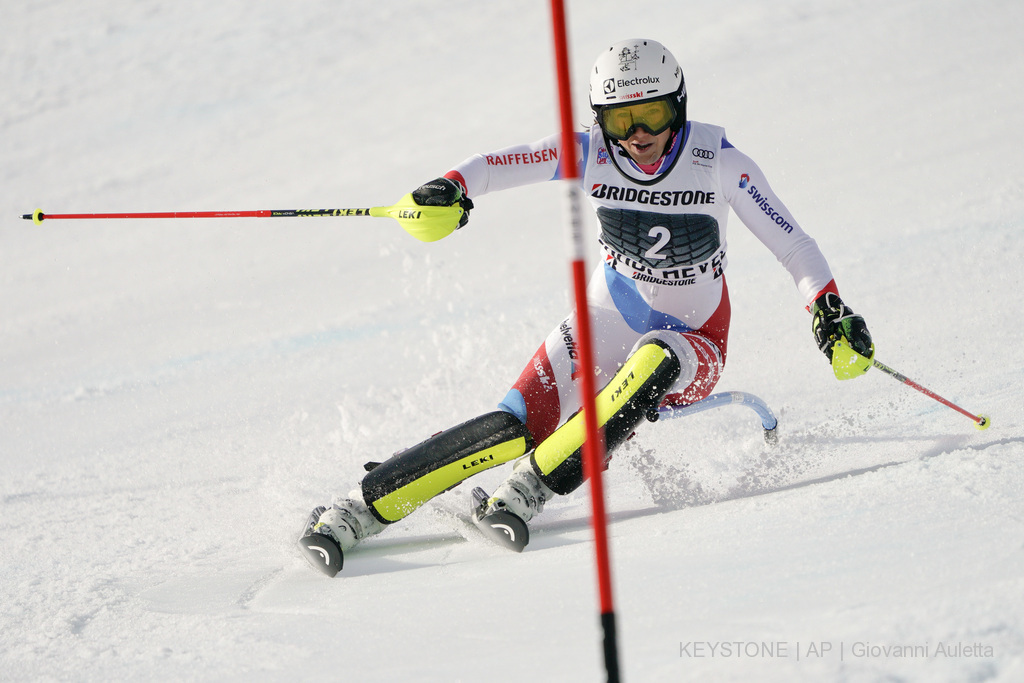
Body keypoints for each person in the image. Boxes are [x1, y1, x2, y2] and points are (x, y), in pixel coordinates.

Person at [298, 38, 873, 576]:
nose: (640, 134)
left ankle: (530, 488)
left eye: (654, 114)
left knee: (656, 358)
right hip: (604, 321)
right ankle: (356, 510)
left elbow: (793, 243)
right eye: (622, 119)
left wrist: (827, 307)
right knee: (509, 426)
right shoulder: (589, 152)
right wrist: (450, 187)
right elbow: (500, 164)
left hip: (694, 341)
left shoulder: (721, 163)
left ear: (680, 106)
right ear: (602, 120)